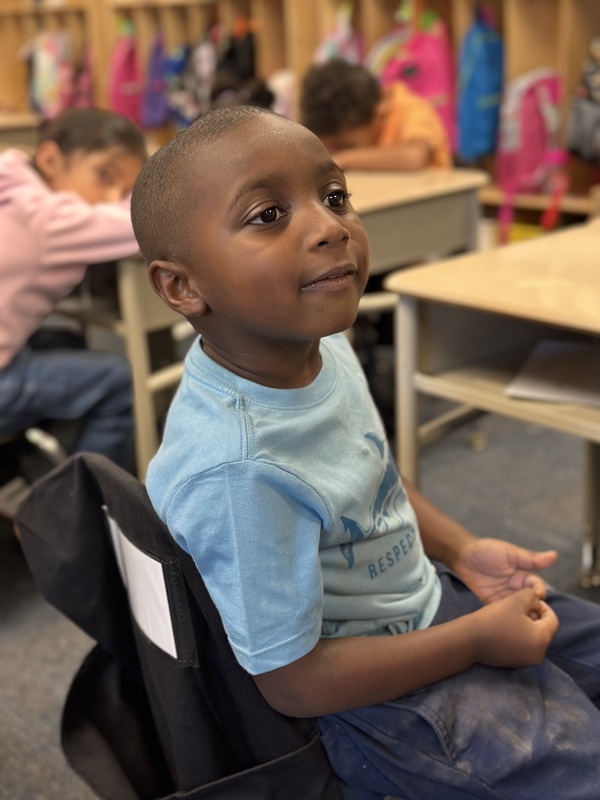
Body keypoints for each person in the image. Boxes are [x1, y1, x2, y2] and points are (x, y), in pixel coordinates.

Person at [130, 105, 600, 799]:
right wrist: (474, 641)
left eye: (334, 196)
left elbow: (370, 473)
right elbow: (293, 682)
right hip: (371, 704)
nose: (330, 227)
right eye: (267, 215)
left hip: (424, 601)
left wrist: (461, 549)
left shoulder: (317, 347)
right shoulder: (238, 470)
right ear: (181, 286)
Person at [0, 107, 147, 469]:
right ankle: (84, 510)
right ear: (50, 157)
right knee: (119, 381)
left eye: (124, 189)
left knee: (66, 341)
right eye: (104, 176)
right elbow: (135, 223)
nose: (111, 196)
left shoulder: (13, 185)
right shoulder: (46, 219)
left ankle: (38, 464)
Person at [299, 58, 450, 171]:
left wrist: (342, 159)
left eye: (346, 146)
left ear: (378, 115)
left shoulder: (411, 108)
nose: (337, 152)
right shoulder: (362, 121)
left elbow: (413, 157)